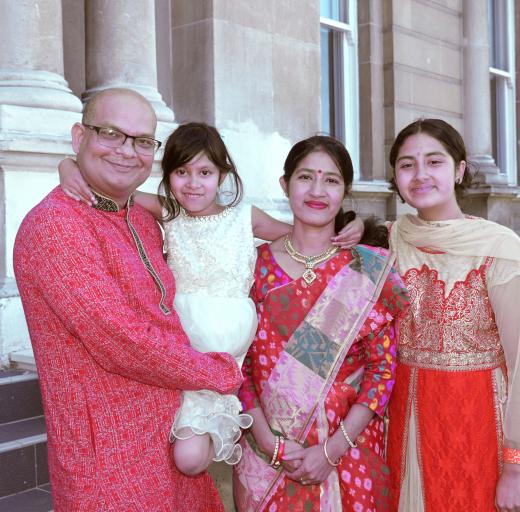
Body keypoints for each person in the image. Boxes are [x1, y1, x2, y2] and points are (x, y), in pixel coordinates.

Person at [58, 122, 364, 479]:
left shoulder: (244, 218)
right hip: (180, 352)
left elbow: (305, 237)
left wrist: (354, 223)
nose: (192, 183)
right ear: (168, 176)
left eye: (205, 172)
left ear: (222, 176)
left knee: (189, 459)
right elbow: (107, 190)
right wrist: (68, 165)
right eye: (181, 172)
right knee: (185, 458)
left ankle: (218, 436)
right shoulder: (169, 213)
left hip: (227, 356)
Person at [13, 89, 244, 511]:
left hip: (171, 443)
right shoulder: (55, 226)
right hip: (108, 463)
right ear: (79, 135)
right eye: (111, 134)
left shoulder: (142, 218)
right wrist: (223, 372)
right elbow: (122, 339)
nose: (126, 151)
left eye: (141, 141)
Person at [385, 119, 520, 511]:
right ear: (395, 175)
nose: (420, 174)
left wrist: (515, 470)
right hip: (404, 424)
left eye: (434, 161)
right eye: (407, 164)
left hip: (478, 429)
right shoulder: (392, 239)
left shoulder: (498, 249)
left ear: (459, 170)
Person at [233, 135, 408, 511]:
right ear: (285, 184)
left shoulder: (367, 267)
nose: (317, 190)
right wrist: (269, 443)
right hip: (266, 455)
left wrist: (331, 451)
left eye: (331, 180)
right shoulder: (251, 266)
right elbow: (239, 364)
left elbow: (382, 370)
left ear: (345, 191)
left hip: (350, 454)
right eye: (305, 177)